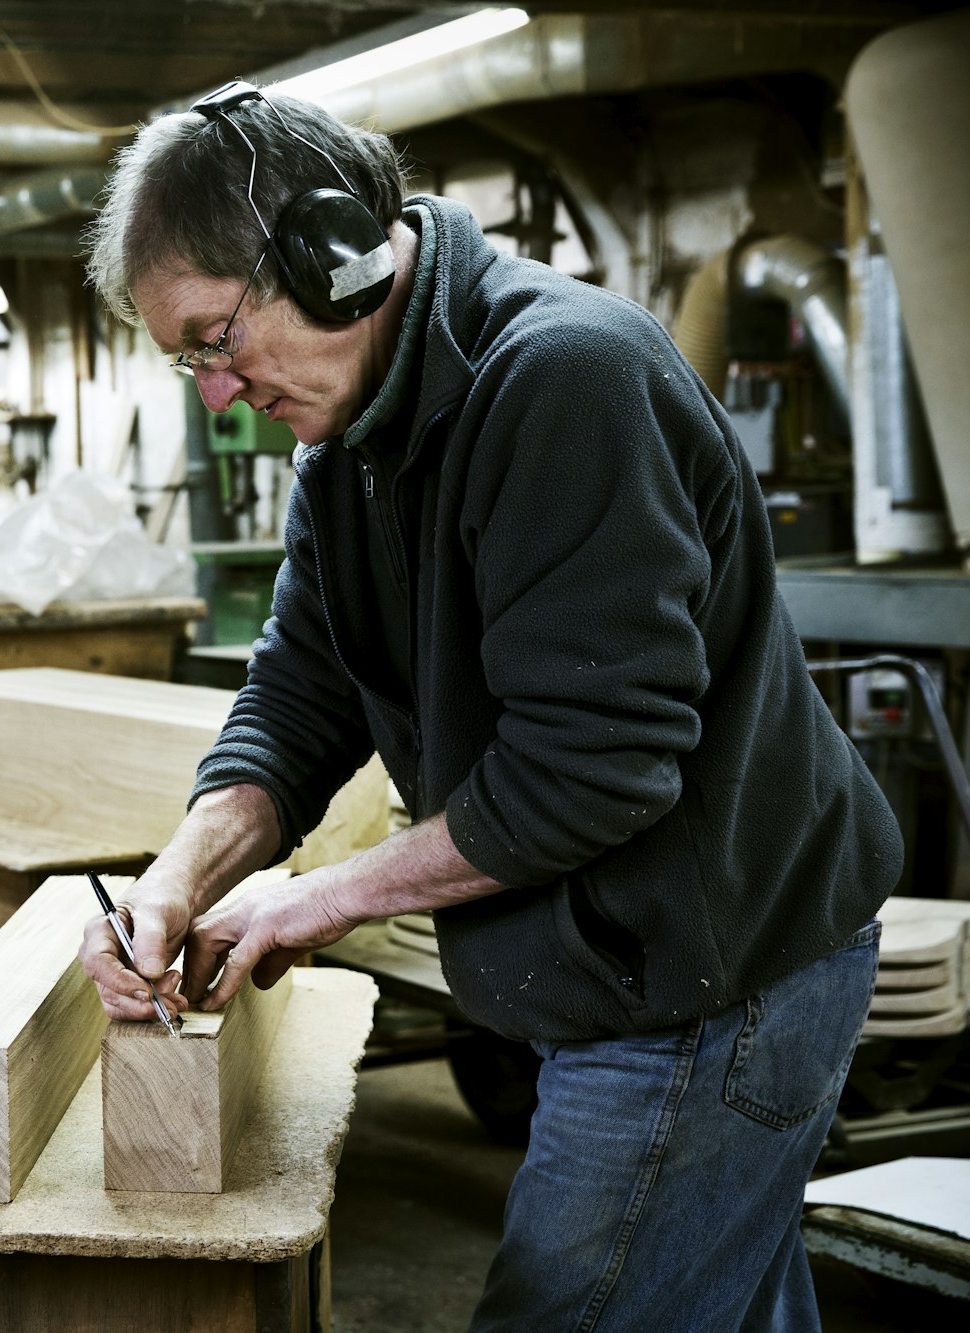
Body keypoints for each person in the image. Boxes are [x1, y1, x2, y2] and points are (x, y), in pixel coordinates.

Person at [79, 82, 900, 1331]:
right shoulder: (348, 437)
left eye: (213, 337)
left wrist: (318, 899)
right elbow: (300, 692)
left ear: (330, 256)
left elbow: (592, 770)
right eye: (186, 359)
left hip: (711, 972)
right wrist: (180, 874)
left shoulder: (563, 381)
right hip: (620, 959)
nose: (215, 393)